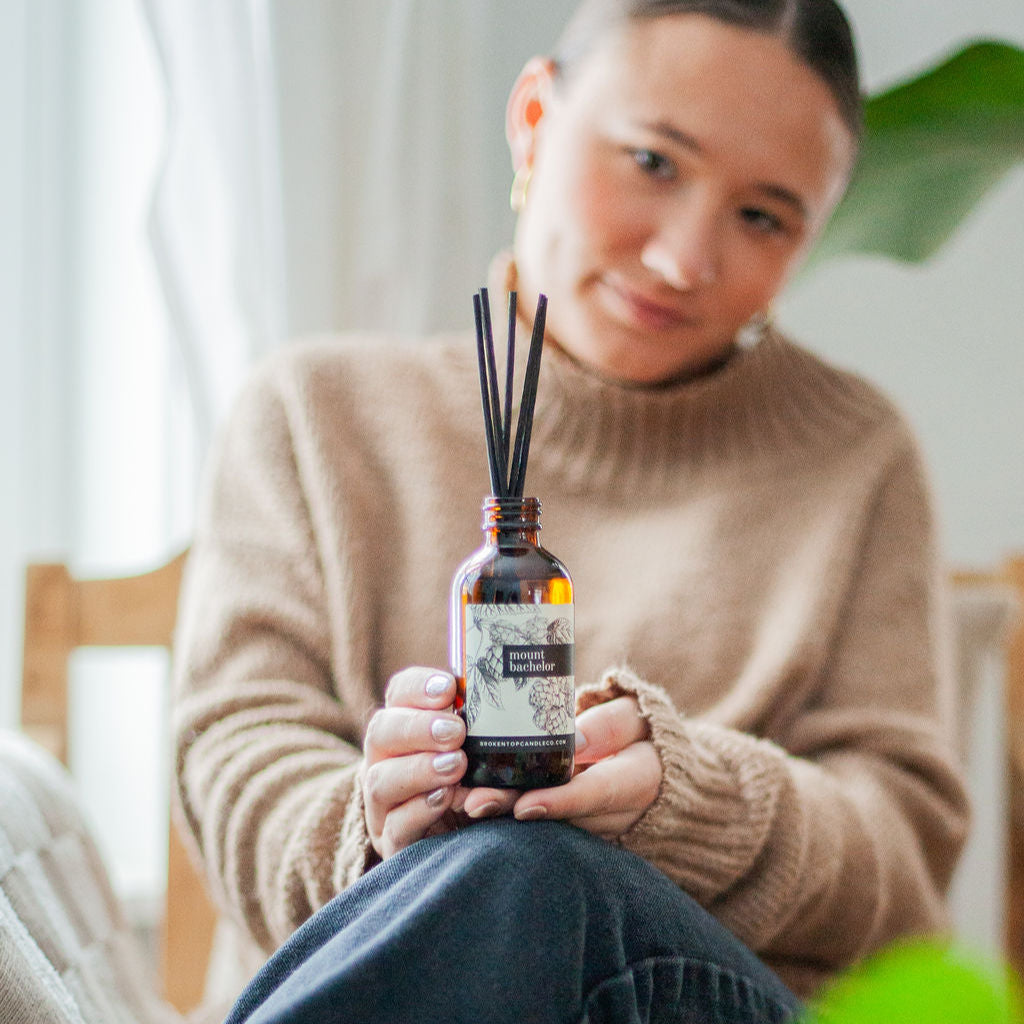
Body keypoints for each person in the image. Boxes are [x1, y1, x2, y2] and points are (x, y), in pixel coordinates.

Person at [171, 1, 971, 1021]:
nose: (684, 259)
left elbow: (899, 864)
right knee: (506, 867)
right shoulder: (316, 417)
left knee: (533, 868)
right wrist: (380, 825)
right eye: (651, 161)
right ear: (535, 118)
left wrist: (688, 800)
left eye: (763, 216)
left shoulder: (856, 456)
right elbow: (240, 758)